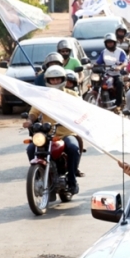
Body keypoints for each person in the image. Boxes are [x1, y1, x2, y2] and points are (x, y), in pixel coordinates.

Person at [22, 66, 81, 194]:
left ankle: (72, 180)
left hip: (66, 133)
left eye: (57, 79)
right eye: (52, 79)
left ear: (63, 80)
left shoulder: (72, 95)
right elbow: (34, 112)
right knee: (31, 149)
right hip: (47, 134)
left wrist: (78, 119)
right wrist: (30, 121)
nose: (55, 82)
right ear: (47, 80)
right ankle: (39, 176)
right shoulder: (42, 97)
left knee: (73, 148)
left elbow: (81, 110)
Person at [96, 33, 128, 113]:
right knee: (98, 82)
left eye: (111, 42)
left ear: (114, 43)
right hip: (107, 73)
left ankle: (118, 104)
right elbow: (98, 62)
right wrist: (91, 65)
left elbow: (125, 62)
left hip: (117, 74)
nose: (109, 44)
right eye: (108, 42)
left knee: (119, 83)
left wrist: (120, 67)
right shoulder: (103, 52)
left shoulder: (120, 52)